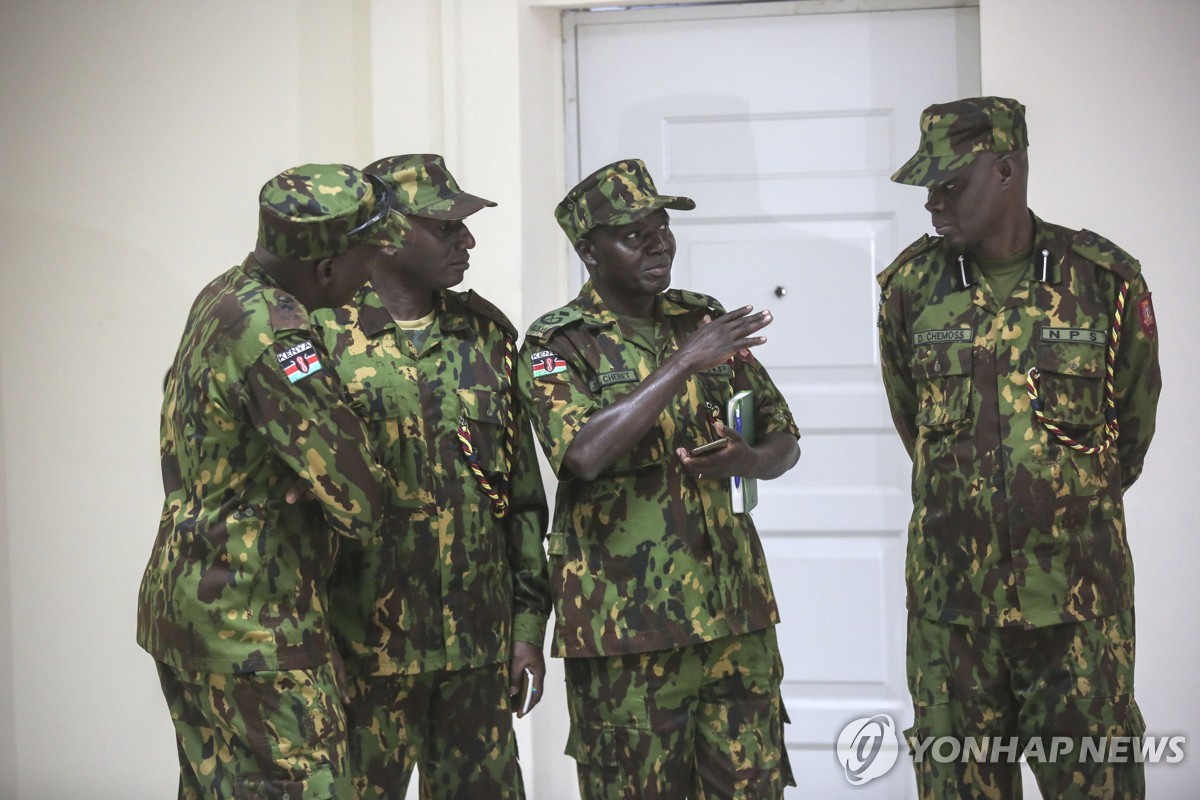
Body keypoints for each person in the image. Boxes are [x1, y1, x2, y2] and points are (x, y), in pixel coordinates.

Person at [877, 97, 1161, 799]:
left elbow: (1130, 431)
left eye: (950, 184)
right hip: (953, 614)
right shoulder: (910, 289)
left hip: (1076, 606)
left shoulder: (1103, 281)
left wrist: (1054, 502)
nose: (933, 203)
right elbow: (914, 425)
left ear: (1006, 170)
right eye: (929, 188)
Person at [518, 158, 801, 799]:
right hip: (626, 633)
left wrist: (748, 460)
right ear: (589, 250)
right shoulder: (555, 341)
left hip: (735, 617)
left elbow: (785, 437)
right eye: (633, 233)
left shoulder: (703, 317)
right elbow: (582, 453)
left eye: (662, 225)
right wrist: (682, 364)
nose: (658, 242)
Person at [136, 163, 409, 799]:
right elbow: (362, 497)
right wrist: (329, 477)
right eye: (368, 255)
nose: (372, 272)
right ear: (324, 267)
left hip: (191, 605)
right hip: (256, 621)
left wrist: (305, 472)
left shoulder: (224, 295)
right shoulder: (280, 336)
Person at [311, 153, 551, 799]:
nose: (467, 240)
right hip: (359, 648)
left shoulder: (487, 334)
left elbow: (522, 497)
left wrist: (527, 629)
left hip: (475, 647)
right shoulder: (319, 336)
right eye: (447, 227)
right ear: (387, 233)